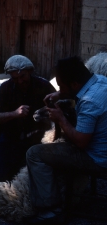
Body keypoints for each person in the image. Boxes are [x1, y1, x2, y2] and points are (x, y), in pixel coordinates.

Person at [25, 56, 107, 224]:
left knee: (34, 154)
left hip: (99, 159)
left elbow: (81, 142)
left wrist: (61, 119)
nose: (60, 89)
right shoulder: (100, 81)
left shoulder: (89, 102)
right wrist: (59, 94)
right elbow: (78, 90)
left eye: (62, 86)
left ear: (74, 85)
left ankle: (50, 211)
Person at [0, 55, 56, 184]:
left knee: (34, 180)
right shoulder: (6, 88)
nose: (19, 81)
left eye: (22, 76)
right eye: (15, 78)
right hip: (11, 138)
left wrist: (47, 115)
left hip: (37, 139)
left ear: (30, 71)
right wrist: (14, 114)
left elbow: (58, 110)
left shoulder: (43, 86)